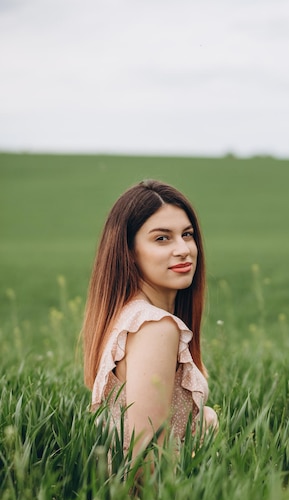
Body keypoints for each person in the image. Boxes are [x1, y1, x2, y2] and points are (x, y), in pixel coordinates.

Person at [82, 179, 218, 464]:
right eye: (162, 238)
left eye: (188, 234)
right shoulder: (155, 327)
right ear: (129, 251)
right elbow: (145, 457)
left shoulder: (127, 316)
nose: (183, 249)